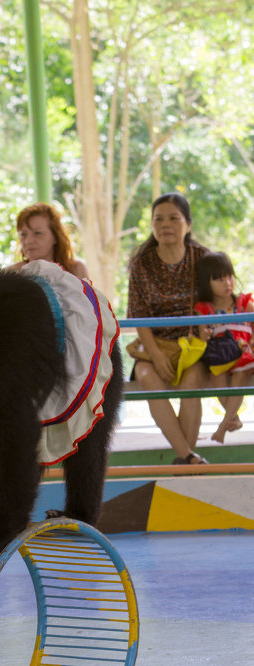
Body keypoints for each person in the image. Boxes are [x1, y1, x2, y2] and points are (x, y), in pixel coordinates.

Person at [127, 192, 210, 466]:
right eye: (158, 219)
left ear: (187, 224)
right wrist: (158, 355)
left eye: (174, 218)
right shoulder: (142, 264)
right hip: (153, 346)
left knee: (192, 382)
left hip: (191, 347)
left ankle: (185, 457)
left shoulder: (203, 258)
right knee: (148, 377)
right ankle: (189, 457)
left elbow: (218, 299)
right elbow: (138, 317)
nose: (165, 224)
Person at [194, 251, 254, 443]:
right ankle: (233, 419)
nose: (227, 283)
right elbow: (203, 334)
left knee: (241, 373)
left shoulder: (244, 303)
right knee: (216, 376)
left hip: (244, 354)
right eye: (219, 279)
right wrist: (205, 334)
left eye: (229, 276)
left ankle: (223, 426)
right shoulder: (203, 308)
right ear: (206, 283)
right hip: (220, 357)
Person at [7, 202, 89, 280]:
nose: (28, 241)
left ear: (55, 236)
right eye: (23, 234)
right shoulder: (11, 273)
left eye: (37, 233)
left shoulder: (76, 269)